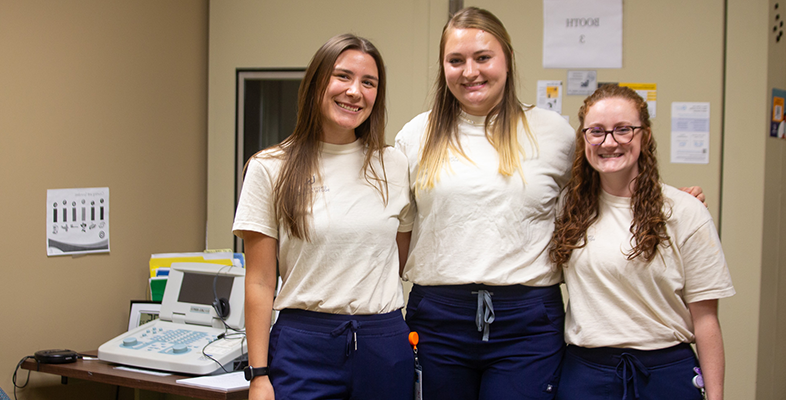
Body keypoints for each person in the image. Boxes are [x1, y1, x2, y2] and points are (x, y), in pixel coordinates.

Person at [394, 7, 705, 400]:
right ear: (443, 67)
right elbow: (394, 222)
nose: (470, 71)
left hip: (526, 320)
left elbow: (601, 185)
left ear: (506, 60)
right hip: (438, 318)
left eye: (483, 57)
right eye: (456, 60)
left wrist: (672, 203)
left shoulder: (551, 131)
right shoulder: (415, 135)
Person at [232, 34, 414, 400]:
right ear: (316, 82)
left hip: (384, 343)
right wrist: (259, 375)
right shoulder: (270, 167)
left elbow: (399, 257)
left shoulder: (394, 164)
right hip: (304, 347)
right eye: (342, 76)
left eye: (368, 82)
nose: (354, 91)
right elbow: (261, 282)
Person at [549, 84, 734, 400]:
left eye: (623, 130)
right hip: (586, 374)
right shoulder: (567, 207)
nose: (609, 142)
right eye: (597, 131)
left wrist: (715, 396)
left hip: (665, 373)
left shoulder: (685, 212)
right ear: (583, 139)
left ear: (645, 136)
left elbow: (706, 320)